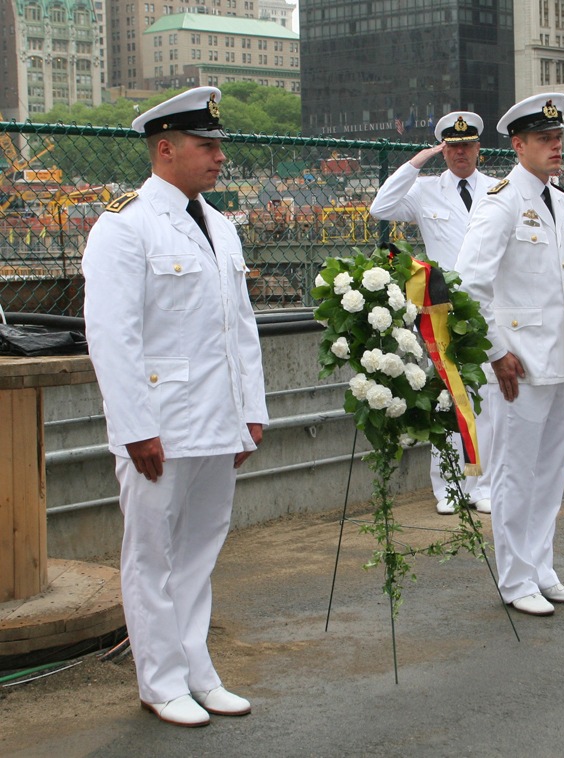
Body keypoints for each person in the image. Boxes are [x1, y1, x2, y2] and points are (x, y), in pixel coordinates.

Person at [82, 87, 268, 727]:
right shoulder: (124, 224)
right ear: (166, 148)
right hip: (159, 423)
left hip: (217, 417)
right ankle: (160, 681)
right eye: (206, 145)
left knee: (200, 551)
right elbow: (113, 335)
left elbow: (240, 326)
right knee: (152, 554)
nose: (220, 157)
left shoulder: (219, 225)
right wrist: (135, 427)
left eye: (218, 145)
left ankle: (196, 669)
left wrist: (251, 411)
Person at [454, 93, 564, 616]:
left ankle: (542, 568)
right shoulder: (502, 199)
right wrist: (494, 352)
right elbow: (470, 284)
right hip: (520, 364)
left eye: (558, 139)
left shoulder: (563, 201)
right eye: (544, 140)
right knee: (515, 473)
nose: (556, 147)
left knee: (551, 472)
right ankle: (515, 580)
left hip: (561, 360)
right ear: (519, 145)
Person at [370, 111, 494, 516]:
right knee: (446, 400)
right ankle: (448, 486)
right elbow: (380, 207)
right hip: (440, 309)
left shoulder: (498, 189)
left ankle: (483, 484)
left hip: (488, 308)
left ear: (479, 148)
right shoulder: (425, 190)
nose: (461, 153)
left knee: (488, 400)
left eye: (468, 145)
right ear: (445, 150)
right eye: (453, 147)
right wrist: (416, 162)